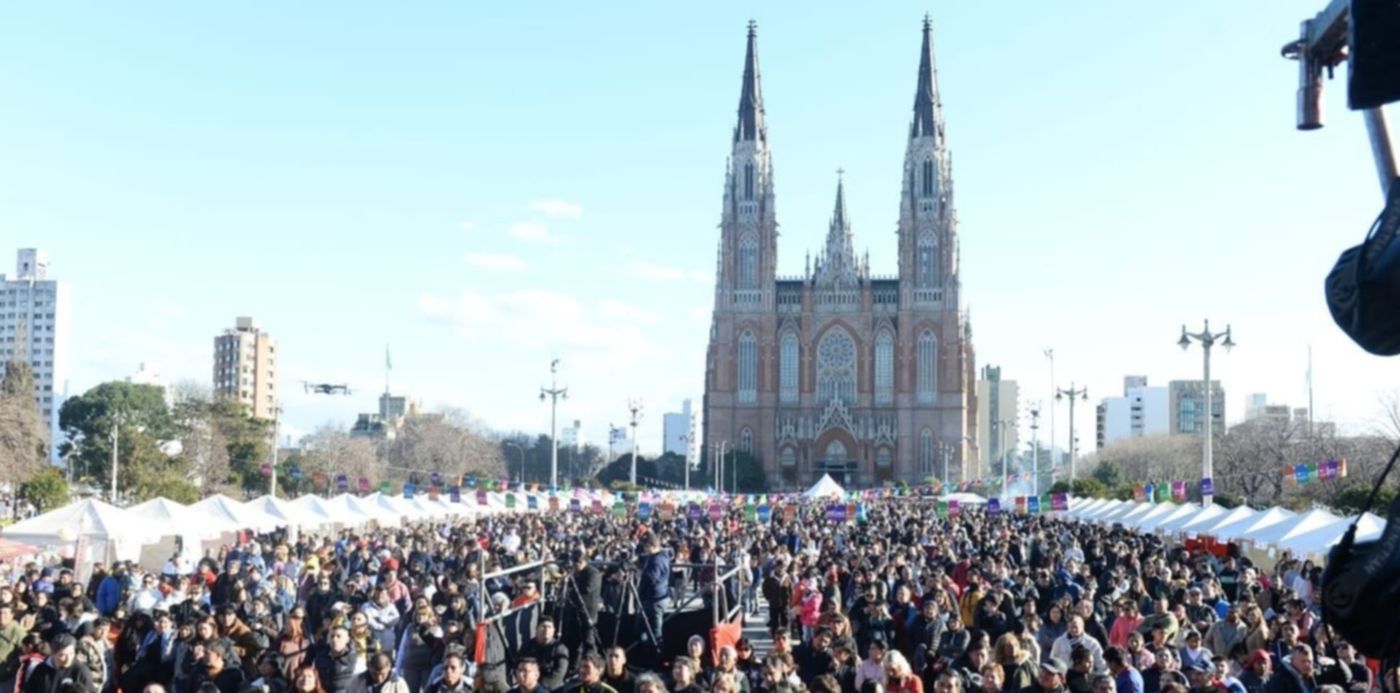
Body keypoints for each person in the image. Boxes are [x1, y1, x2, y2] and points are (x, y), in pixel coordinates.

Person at [24, 634, 95, 693]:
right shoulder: (41, 670)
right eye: (63, 655)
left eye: (71, 653)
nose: (68, 659)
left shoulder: (80, 671)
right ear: (53, 654)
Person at [636, 537, 671, 651]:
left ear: (653, 546)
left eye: (647, 547)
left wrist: (640, 573)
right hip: (655, 597)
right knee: (643, 626)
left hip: (655, 599)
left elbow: (651, 578)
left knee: (655, 632)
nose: (645, 549)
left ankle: (656, 653)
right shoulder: (660, 557)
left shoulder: (657, 560)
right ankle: (647, 649)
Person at [518, 617, 569, 691]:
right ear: (537, 628)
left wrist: (538, 686)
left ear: (554, 630)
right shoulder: (527, 646)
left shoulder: (560, 648)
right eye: (543, 626)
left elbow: (559, 673)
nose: (546, 630)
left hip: (553, 688)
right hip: (528, 686)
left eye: (549, 627)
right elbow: (518, 665)